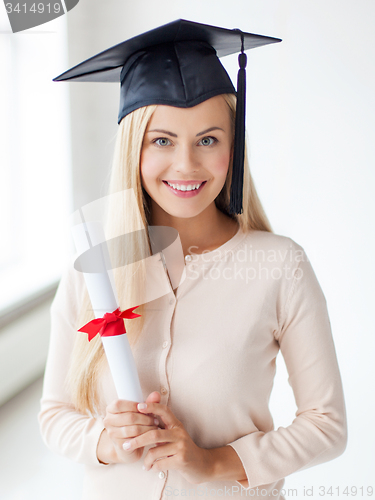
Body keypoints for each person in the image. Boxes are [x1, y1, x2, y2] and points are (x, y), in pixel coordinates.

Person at [38, 20, 347, 500]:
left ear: (233, 145)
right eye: (161, 140)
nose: (186, 164)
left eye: (208, 140)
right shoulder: (95, 269)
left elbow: (327, 425)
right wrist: (108, 440)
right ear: (133, 150)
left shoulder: (279, 266)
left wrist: (215, 462)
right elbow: (55, 415)